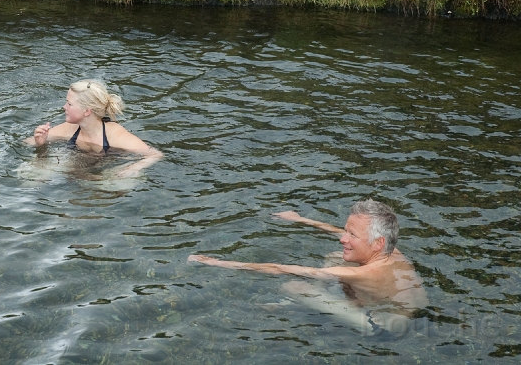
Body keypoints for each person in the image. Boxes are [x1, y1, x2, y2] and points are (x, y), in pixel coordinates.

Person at [189, 199, 428, 335]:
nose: (343, 237)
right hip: (409, 314)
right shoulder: (392, 251)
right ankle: (338, 301)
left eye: (351, 234)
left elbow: (280, 269)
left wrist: (216, 262)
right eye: (346, 230)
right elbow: (338, 232)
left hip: (382, 330)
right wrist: (301, 220)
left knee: (294, 286)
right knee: (337, 255)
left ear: (378, 242)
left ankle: (292, 305)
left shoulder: (364, 272)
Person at [28, 79, 162, 176]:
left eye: (69, 104)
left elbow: (155, 155)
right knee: (30, 173)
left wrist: (133, 168)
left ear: (87, 111)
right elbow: (27, 142)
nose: (64, 107)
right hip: (75, 168)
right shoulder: (70, 128)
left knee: (121, 182)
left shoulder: (114, 134)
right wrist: (40, 142)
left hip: (103, 171)